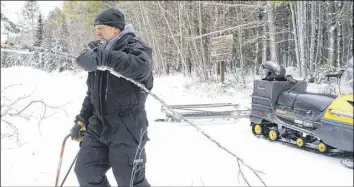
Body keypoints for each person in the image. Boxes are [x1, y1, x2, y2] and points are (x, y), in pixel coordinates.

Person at [71, 8, 153, 187]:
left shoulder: (136, 47)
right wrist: (82, 119)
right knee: (86, 172)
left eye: (101, 27)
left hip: (127, 126)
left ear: (116, 29)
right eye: (95, 28)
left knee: (130, 181)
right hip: (98, 126)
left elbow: (142, 68)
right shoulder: (98, 51)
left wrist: (103, 58)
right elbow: (92, 93)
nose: (97, 32)